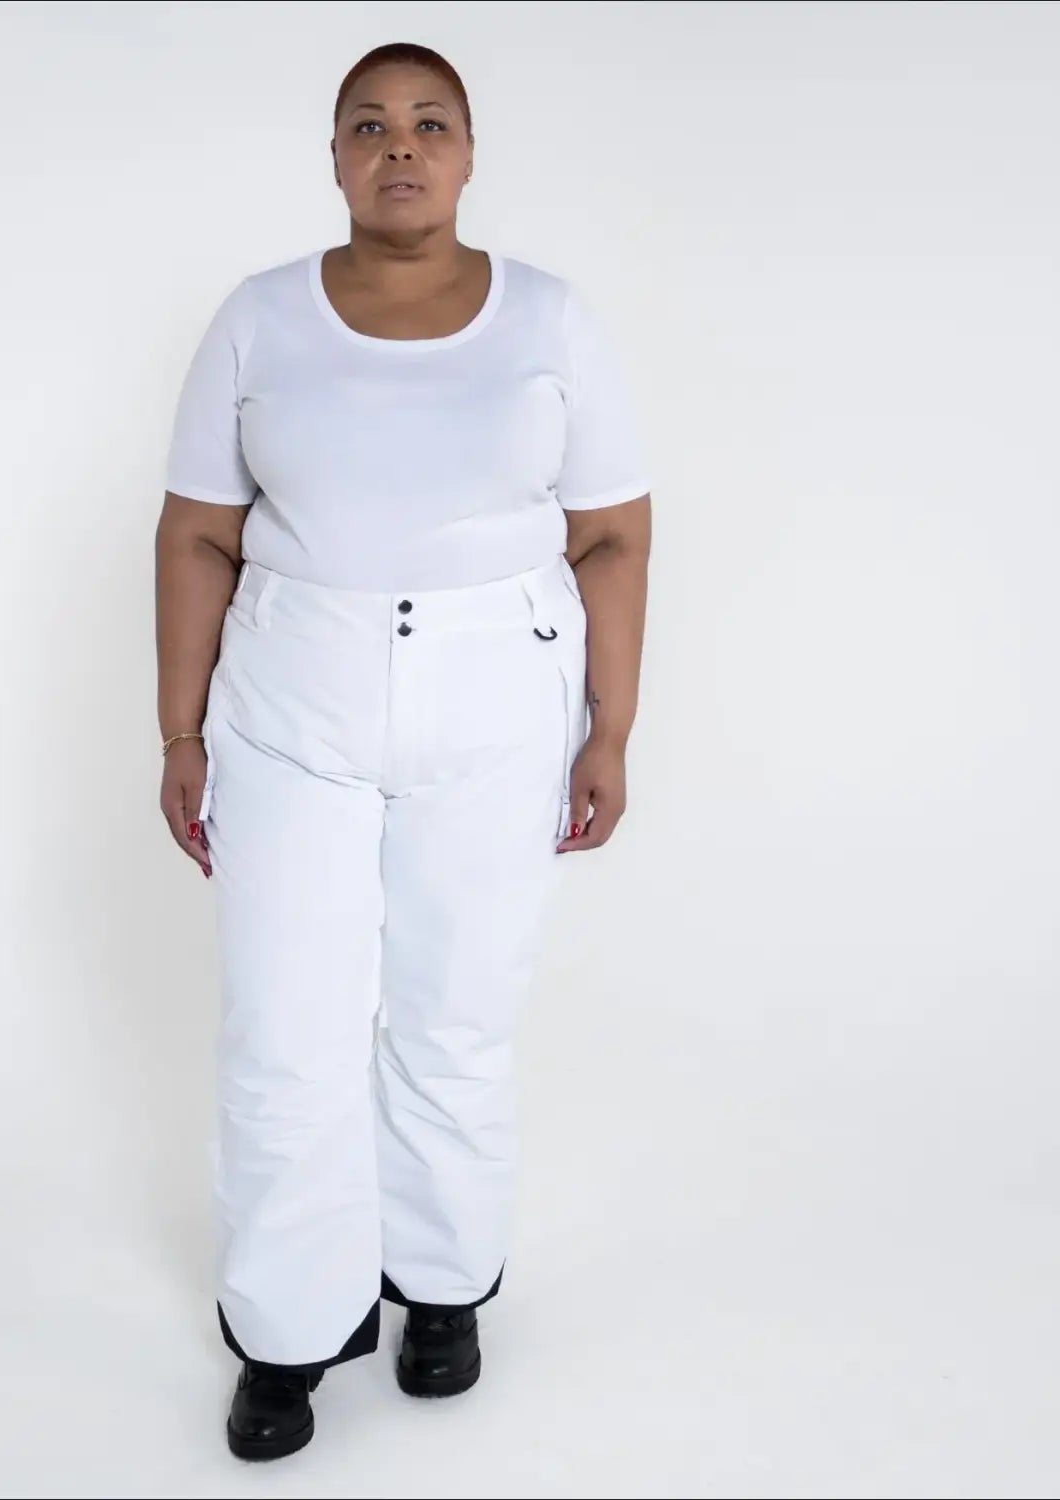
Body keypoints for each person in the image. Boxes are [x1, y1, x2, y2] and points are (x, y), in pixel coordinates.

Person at [153, 40, 653, 1461]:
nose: (401, 148)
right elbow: (196, 532)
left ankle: (440, 1283)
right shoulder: (259, 319)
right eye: (368, 125)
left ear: (471, 153)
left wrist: (612, 727)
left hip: (500, 697)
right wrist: (179, 729)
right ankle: (289, 1330)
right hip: (292, 697)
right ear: (333, 158)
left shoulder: (550, 319)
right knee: (285, 1026)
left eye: (431, 123)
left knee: (455, 1009)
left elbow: (614, 534)